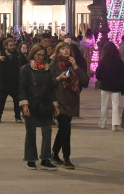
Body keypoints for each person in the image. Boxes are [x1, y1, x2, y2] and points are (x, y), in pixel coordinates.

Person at [49, 41, 88, 169]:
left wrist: (76, 66)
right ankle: (66, 158)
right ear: (58, 51)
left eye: (68, 49)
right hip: (59, 102)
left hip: (71, 101)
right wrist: (59, 78)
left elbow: (85, 81)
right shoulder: (53, 65)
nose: (66, 51)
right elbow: (49, 83)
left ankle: (54, 153)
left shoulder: (73, 65)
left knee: (63, 129)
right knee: (66, 129)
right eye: (63, 49)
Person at [19, 44, 59, 170]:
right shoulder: (26, 69)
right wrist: (24, 104)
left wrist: (55, 104)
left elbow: (50, 89)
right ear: (33, 54)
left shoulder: (47, 70)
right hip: (31, 104)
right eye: (38, 55)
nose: (41, 57)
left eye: (43, 55)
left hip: (45, 105)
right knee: (30, 133)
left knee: (47, 132)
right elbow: (22, 88)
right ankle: (31, 159)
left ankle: (45, 158)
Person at [96, 41, 124, 131]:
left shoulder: (103, 60)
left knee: (104, 105)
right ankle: (115, 124)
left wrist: (102, 79)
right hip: (116, 86)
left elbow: (98, 74)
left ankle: (102, 123)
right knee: (115, 105)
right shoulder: (119, 61)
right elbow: (122, 75)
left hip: (105, 85)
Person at [0, 37, 23, 123]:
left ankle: (18, 117)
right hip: (3, 82)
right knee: (1, 101)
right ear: (6, 46)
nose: (13, 47)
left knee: (17, 101)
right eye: (10, 45)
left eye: (13, 45)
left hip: (15, 82)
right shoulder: (0, 54)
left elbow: (25, 63)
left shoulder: (17, 54)